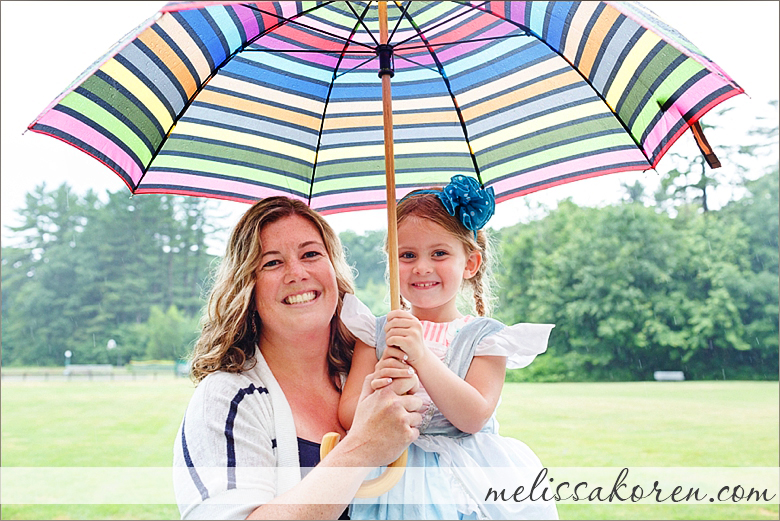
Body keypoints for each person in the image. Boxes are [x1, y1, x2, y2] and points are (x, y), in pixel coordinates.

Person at [172, 196, 423, 520]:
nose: (297, 272)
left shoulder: (372, 375)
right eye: (272, 262)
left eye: (311, 254)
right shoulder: (227, 399)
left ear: (333, 268)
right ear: (248, 285)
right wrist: (362, 446)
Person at [338, 176, 559, 519]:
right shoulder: (378, 333)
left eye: (439, 253)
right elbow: (349, 413)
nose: (422, 267)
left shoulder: (484, 338)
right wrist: (380, 389)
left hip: (464, 479)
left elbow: (473, 416)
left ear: (469, 263)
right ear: (391, 262)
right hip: (393, 475)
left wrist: (422, 356)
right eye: (407, 255)